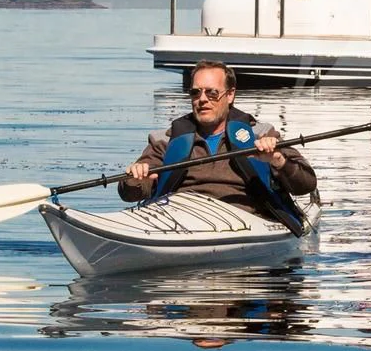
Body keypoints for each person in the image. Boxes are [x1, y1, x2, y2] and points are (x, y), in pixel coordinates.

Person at [119, 60, 317, 231]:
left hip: (242, 222)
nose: (202, 99)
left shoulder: (261, 134)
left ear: (230, 95)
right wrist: (136, 179)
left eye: (212, 93)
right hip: (177, 220)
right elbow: (130, 193)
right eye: (196, 93)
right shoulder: (166, 140)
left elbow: (306, 184)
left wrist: (277, 160)